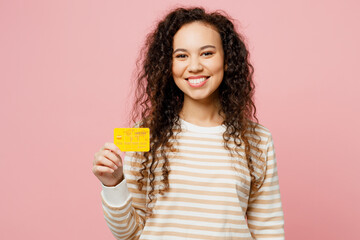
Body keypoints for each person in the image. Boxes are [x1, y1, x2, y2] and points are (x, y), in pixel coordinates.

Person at [92, 6, 285, 240]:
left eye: (207, 53)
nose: (194, 66)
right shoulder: (144, 135)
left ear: (227, 61)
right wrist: (114, 184)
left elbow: (269, 231)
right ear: (168, 65)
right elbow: (129, 233)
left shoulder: (257, 140)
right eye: (181, 55)